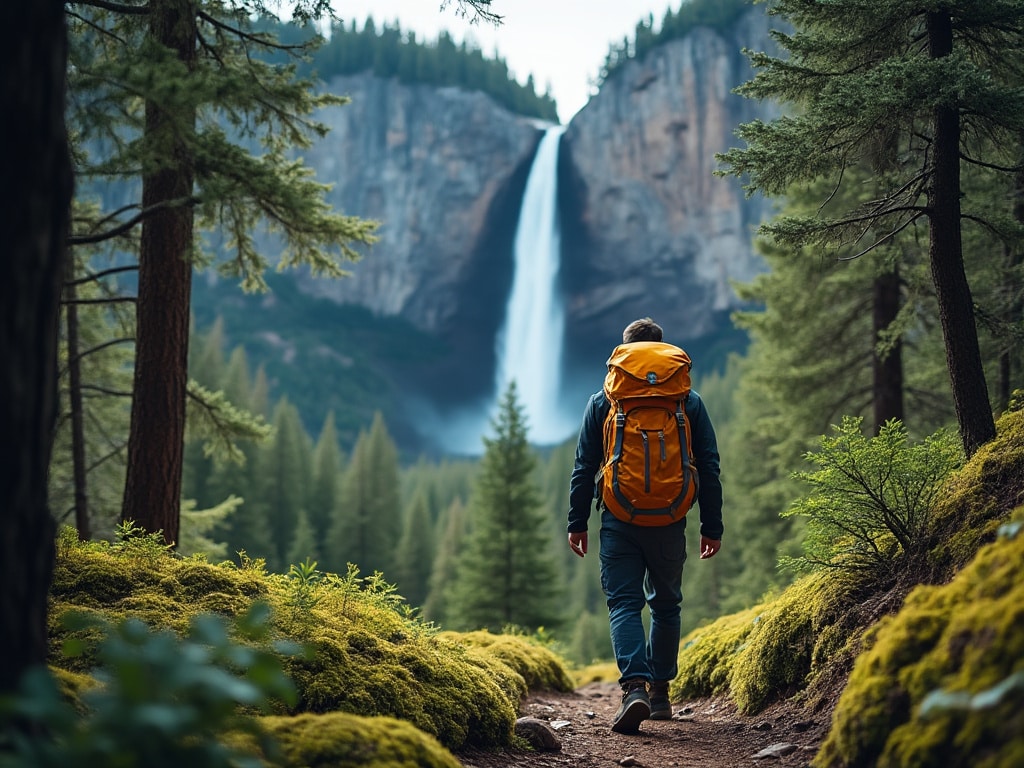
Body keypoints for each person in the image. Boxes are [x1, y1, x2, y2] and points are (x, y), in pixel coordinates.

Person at [567, 317, 723, 734]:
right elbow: (708, 466)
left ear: (624, 354)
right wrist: (712, 525)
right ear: (662, 350)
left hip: (619, 517)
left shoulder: (604, 401)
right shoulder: (688, 401)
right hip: (671, 518)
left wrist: (576, 522)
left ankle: (633, 686)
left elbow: (584, 467)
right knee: (666, 604)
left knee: (624, 603)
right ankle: (659, 695)